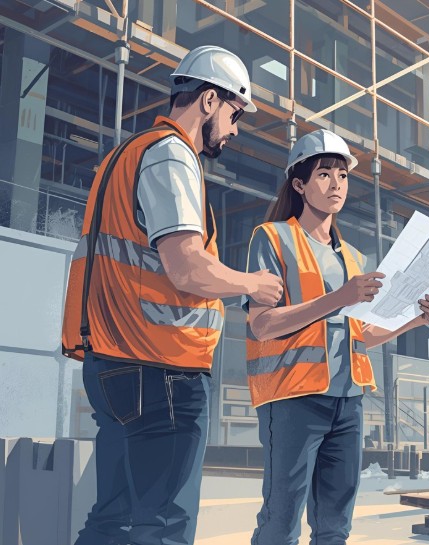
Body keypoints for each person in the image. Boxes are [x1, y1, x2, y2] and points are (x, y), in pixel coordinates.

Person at [60, 45, 284, 545]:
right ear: (208, 100)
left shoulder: (124, 155)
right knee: (162, 526)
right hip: (159, 370)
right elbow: (186, 268)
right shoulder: (171, 154)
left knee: (112, 519)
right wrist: (253, 283)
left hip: (112, 363)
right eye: (234, 112)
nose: (235, 128)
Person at [245, 129, 429, 545]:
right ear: (299, 184)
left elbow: (362, 335)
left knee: (335, 526)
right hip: (292, 400)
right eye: (324, 173)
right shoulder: (272, 238)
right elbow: (262, 324)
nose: (336, 183)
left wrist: (416, 319)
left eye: (342, 174)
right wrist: (339, 297)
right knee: (280, 522)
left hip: (348, 401)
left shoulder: (354, 257)